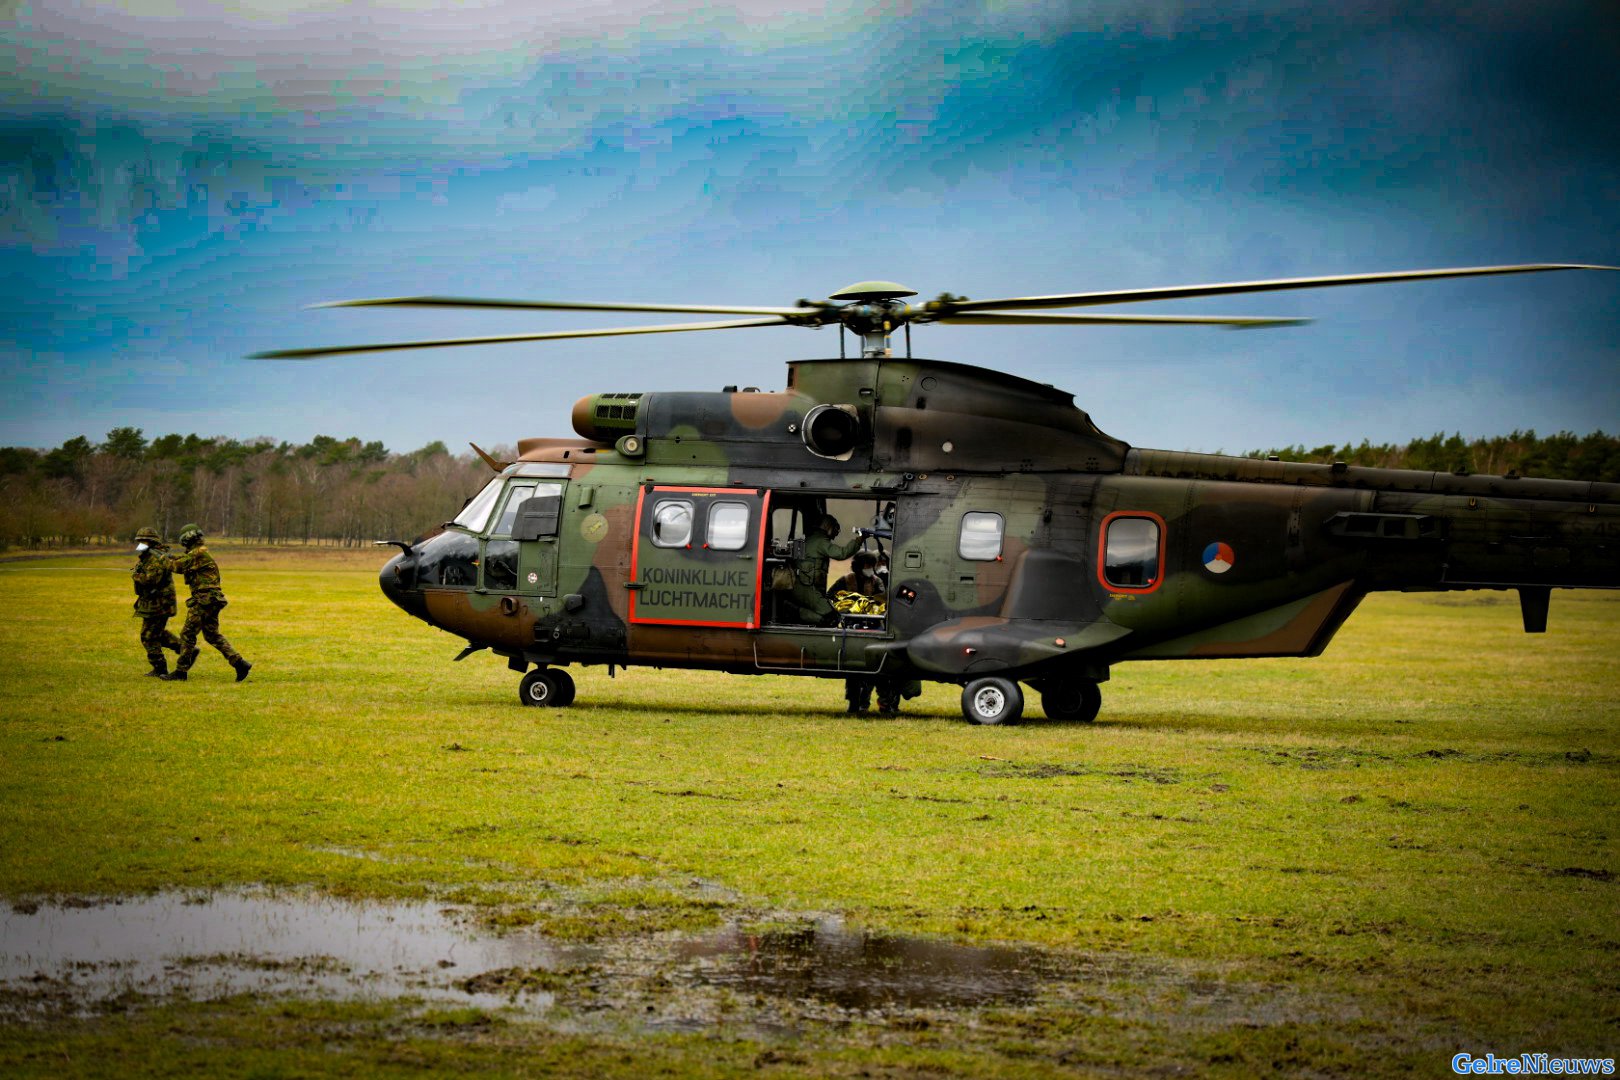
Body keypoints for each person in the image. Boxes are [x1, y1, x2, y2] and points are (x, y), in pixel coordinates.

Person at [159, 524, 252, 682]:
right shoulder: (199, 553)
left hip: (204, 600)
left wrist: (161, 558)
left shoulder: (198, 554)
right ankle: (239, 663)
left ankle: (181, 672)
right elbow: (181, 560)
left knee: (188, 634)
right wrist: (168, 555)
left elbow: (177, 566)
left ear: (187, 539)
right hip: (212, 599)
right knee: (212, 635)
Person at [790, 514, 868, 626]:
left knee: (827, 615)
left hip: (803, 587)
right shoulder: (821, 542)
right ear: (828, 527)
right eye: (835, 529)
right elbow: (842, 553)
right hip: (806, 589)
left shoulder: (811, 539)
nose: (836, 533)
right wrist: (859, 540)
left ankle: (796, 612)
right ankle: (794, 612)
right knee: (831, 617)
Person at [131, 526, 182, 677]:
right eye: (139, 541)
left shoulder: (156, 557)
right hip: (155, 602)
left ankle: (161, 667)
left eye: (143, 541)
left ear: (150, 542)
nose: (140, 544)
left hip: (160, 603)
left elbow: (150, 580)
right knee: (154, 634)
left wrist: (136, 576)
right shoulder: (149, 556)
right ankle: (184, 650)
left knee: (148, 636)